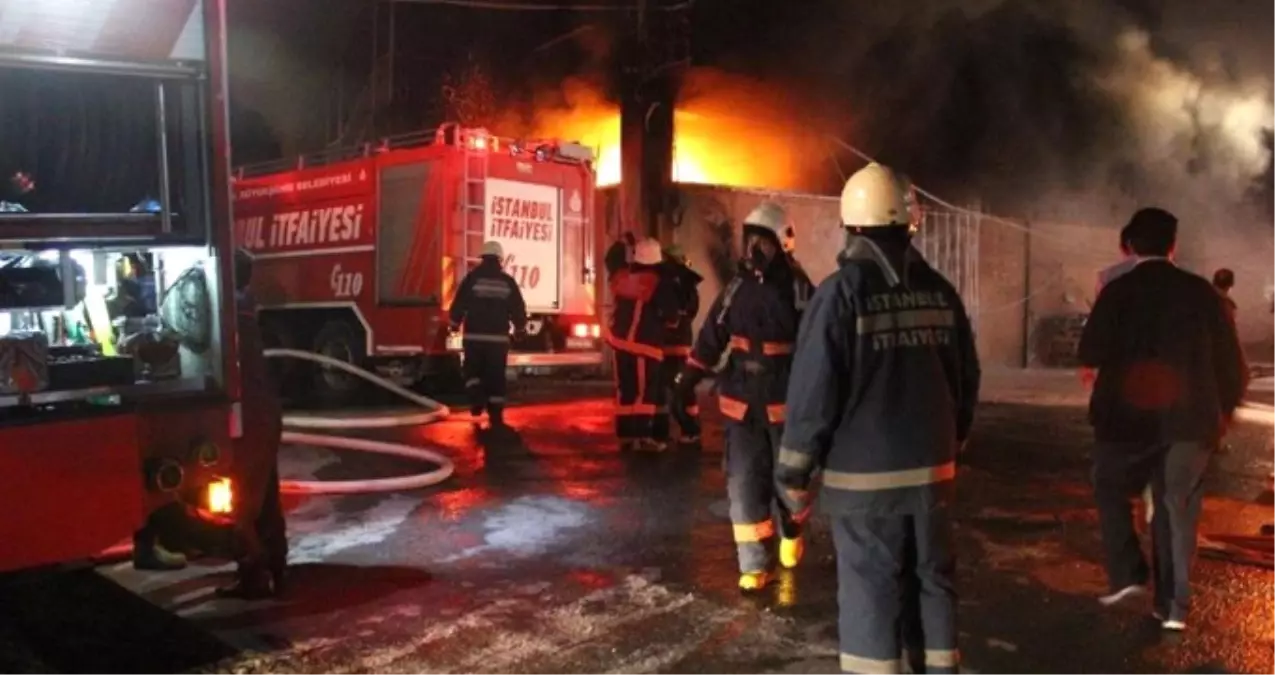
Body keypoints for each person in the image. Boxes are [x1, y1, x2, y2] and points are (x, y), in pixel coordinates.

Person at [777, 163, 980, 674]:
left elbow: (813, 395)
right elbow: (967, 379)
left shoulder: (841, 294)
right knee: (934, 582)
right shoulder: (940, 290)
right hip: (933, 477)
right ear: (910, 223)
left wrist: (793, 475)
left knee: (872, 589)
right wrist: (951, 444)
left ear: (851, 224)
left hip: (864, 485)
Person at [1078, 207, 1247, 631]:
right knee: (1177, 509)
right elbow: (1233, 366)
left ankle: (1129, 572)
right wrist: (1222, 411)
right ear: (1174, 245)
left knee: (1110, 485)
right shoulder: (1204, 294)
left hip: (1126, 422)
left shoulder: (1118, 291)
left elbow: (1090, 351)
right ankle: (1173, 608)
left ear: (1131, 245)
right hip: (1191, 423)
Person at [671, 202, 814, 591]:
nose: (754, 249)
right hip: (741, 403)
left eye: (762, 242)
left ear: (782, 244)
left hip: (784, 404)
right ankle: (753, 564)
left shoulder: (801, 291)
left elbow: (819, 348)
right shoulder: (736, 289)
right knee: (744, 483)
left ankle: (791, 528)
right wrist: (688, 378)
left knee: (790, 481)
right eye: (750, 240)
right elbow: (711, 338)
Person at [220, 249, 288, 599]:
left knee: (241, 501)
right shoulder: (246, 303)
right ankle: (276, 564)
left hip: (245, 414)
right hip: (264, 411)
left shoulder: (227, 309)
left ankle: (255, 573)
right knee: (267, 495)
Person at [607, 237, 680, 451]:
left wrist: (620, 243)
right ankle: (644, 437)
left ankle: (626, 437)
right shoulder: (659, 283)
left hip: (620, 344)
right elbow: (672, 316)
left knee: (625, 390)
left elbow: (610, 260)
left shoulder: (622, 277)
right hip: (645, 345)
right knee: (644, 393)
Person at [448, 241, 528, 431]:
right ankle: (496, 413)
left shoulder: (472, 278)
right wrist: (520, 330)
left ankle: (476, 401)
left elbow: (459, 303)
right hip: (498, 341)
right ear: (500, 259)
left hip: (474, 338)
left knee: (472, 371)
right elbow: (518, 308)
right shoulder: (507, 282)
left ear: (482, 257)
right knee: (496, 375)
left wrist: (453, 325)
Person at [656, 244, 704, 446]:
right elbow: (691, 311)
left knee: (668, 388)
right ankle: (690, 428)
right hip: (682, 342)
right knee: (682, 387)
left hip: (667, 344)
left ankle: (685, 429)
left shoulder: (666, 282)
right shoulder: (688, 284)